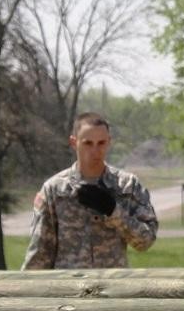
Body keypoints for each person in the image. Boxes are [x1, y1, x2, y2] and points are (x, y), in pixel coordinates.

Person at [22, 112, 157, 270]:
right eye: (88, 143)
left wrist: (114, 211)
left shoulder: (127, 186)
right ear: (74, 143)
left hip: (112, 288)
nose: (95, 150)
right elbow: (40, 252)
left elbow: (145, 241)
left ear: (109, 142)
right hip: (68, 289)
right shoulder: (54, 189)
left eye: (101, 143)